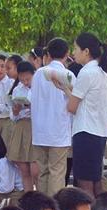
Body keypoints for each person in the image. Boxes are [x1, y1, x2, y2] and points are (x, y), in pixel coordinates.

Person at [55, 32, 107, 197]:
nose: (73, 53)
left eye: (76, 48)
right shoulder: (101, 72)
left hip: (86, 132)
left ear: (86, 51)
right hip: (98, 132)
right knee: (96, 182)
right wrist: (65, 89)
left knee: (85, 184)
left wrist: (66, 91)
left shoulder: (86, 73)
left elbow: (72, 107)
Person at [30, 38, 75, 197]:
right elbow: (73, 101)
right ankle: (54, 207)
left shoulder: (38, 74)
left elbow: (32, 99)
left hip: (39, 131)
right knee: (57, 172)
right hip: (58, 131)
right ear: (67, 54)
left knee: (43, 172)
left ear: (47, 54)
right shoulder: (68, 75)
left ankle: (43, 207)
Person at [7, 61, 38, 191]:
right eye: (22, 78)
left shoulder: (39, 86)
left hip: (35, 126)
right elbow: (12, 116)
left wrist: (32, 106)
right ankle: (29, 198)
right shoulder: (17, 89)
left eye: (27, 78)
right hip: (21, 125)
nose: (25, 82)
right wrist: (15, 110)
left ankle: (41, 199)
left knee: (36, 170)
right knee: (24, 169)